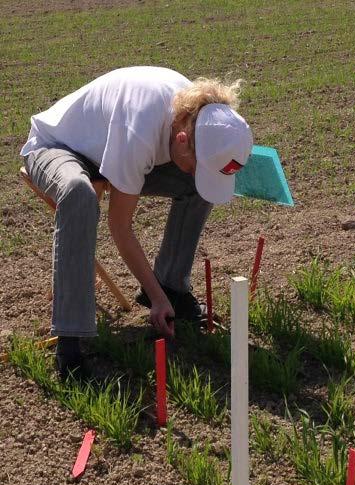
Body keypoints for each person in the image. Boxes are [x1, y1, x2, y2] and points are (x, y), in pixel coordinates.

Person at [20, 66, 253, 380]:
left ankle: (172, 287)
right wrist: (154, 298)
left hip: (107, 150)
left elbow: (190, 169)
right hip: (59, 147)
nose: (190, 169)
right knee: (79, 194)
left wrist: (161, 294)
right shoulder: (141, 127)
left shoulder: (198, 115)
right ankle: (70, 341)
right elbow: (120, 227)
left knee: (197, 186)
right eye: (193, 164)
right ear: (182, 141)